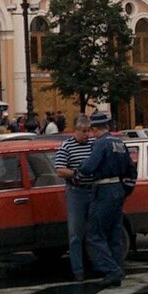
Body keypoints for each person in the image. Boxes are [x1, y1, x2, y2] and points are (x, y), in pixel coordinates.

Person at [76, 112, 136, 287]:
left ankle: (111, 270)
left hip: (103, 189)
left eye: (91, 130)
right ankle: (116, 270)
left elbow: (89, 167)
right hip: (117, 189)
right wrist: (126, 190)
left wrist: (79, 170)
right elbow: (131, 170)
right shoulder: (119, 143)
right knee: (114, 234)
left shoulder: (101, 144)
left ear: (95, 129)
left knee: (95, 234)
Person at [53, 114, 96, 281]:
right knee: (76, 233)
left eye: (89, 131)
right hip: (76, 192)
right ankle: (78, 270)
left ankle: (96, 264)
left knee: (95, 231)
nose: (87, 134)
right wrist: (77, 173)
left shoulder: (94, 144)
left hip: (93, 190)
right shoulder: (66, 147)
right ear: (76, 131)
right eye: (84, 131)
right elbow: (59, 169)